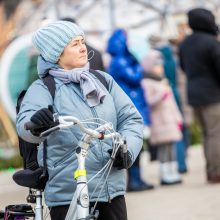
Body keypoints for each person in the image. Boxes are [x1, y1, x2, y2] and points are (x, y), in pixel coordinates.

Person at [16, 21, 144, 220]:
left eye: (82, 41)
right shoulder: (43, 88)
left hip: (111, 190)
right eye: (74, 44)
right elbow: (24, 125)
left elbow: (131, 119)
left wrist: (127, 149)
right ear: (56, 53)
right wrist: (36, 124)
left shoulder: (102, 80)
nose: (83, 47)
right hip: (69, 194)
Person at [107, 28, 154, 191]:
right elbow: (133, 77)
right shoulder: (119, 61)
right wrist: (140, 66)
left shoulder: (123, 59)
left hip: (135, 102)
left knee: (138, 145)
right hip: (131, 105)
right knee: (133, 144)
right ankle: (134, 181)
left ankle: (137, 179)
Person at [179, 8, 220, 183]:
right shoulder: (212, 42)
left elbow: (182, 67)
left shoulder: (185, 43)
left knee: (206, 134)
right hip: (212, 94)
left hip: (194, 95)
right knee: (215, 134)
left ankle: (210, 171)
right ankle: (216, 172)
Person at [141, 49, 182, 185]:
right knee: (163, 149)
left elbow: (172, 103)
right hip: (159, 122)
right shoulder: (147, 82)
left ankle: (173, 171)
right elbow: (149, 101)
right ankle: (165, 175)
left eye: (160, 65)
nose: (159, 68)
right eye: (156, 65)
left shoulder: (163, 80)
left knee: (172, 147)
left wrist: (178, 118)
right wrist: (160, 95)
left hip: (170, 120)